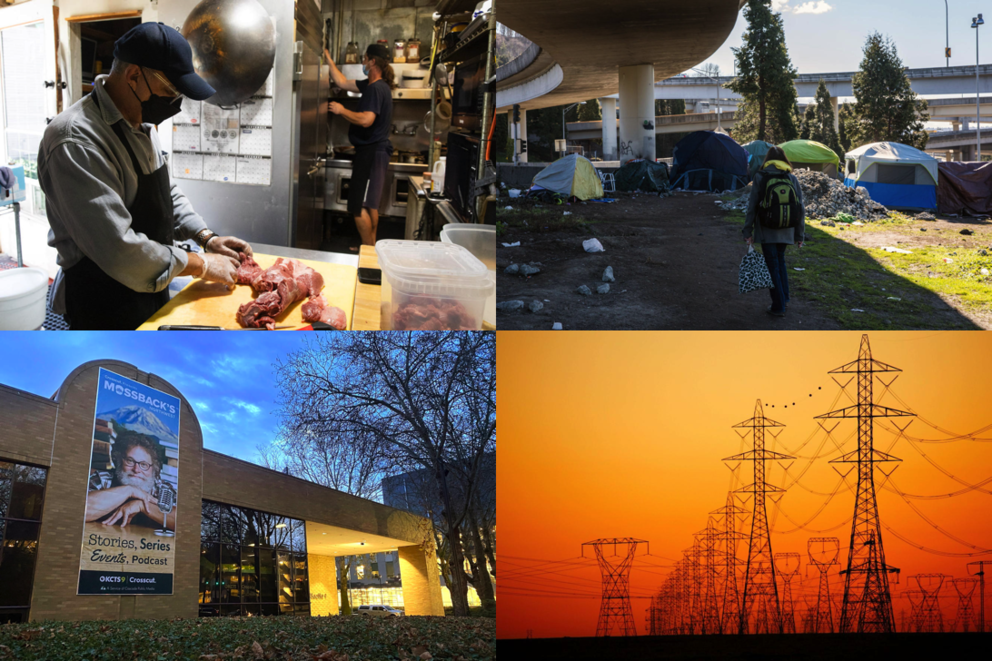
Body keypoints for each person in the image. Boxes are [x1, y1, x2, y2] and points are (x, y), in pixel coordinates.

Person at [38, 23, 254, 330]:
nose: (174, 103)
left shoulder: (140, 122)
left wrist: (206, 238)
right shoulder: (74, 140)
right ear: (134, 76)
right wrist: (201, 265)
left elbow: (165, 192)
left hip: (151, 285)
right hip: (102, 300)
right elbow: (119, 248)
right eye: (169, 91)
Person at [324, 43, 396, 246]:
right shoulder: (373, 86)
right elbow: (343, 81)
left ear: (372, 61)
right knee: (370, 205)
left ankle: (368, 251)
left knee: (358, 207)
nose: (362, 62)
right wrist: (328, 57)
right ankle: (371, 251)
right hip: (374, 151)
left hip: (371, 152)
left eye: (365, 59)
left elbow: (366, 120)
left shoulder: (375, 89)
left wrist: (341, 110)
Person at [743, 146, 806, 317]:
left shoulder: (760, 176)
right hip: (787, 229)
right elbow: (800, 208)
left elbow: (753, 206)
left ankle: (778, 306)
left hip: (766, 230)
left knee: (772, 266)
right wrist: (799, 235)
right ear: (784, 160)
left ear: (768, 160)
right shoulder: (791, 177)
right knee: (780, 261)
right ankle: (784, 298)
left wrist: (747, 231)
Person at [86, 433, 176, 531]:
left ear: (154, 469)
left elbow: (181, 522)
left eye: (144, 464)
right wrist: (129, 491)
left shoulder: (162, 489)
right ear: (119, 461)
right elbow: (81, 511)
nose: (136, 469)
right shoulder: (103, 479)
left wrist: (141, 505)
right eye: (130, 461)